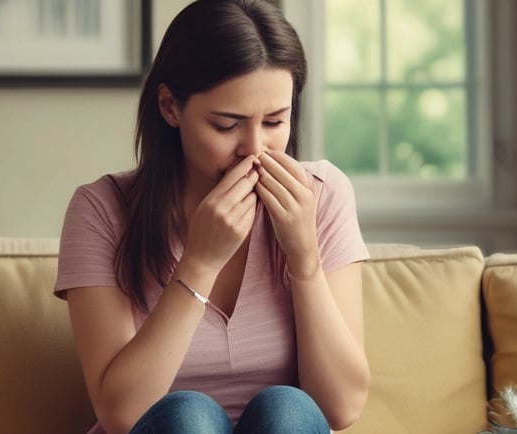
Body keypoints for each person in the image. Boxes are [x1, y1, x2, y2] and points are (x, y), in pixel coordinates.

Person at [54, 1, 371, 433]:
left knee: (286, 410)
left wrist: (304, 259)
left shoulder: (323, 195)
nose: (255, 148)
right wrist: (199, 263)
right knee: (189, 417)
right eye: (227, 125)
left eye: (276, 121)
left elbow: (342, 409)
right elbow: (121, 414)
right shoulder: (101, 211)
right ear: (169, 107)